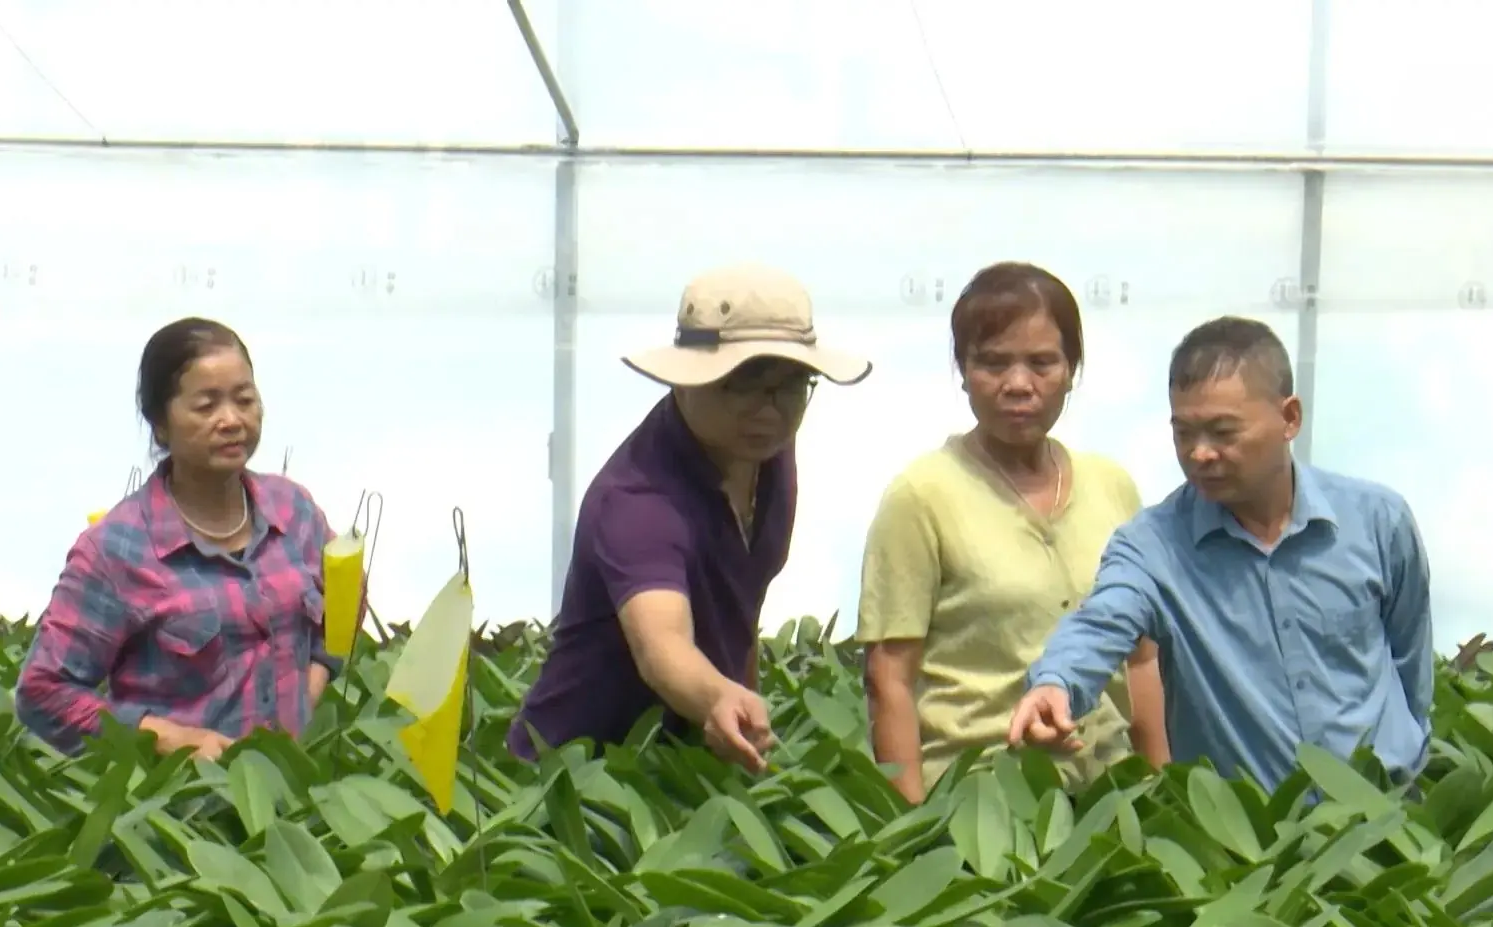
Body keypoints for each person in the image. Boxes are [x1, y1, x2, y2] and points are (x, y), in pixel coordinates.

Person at [1009, 316, 1434, 792]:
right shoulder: (1152, 548)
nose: (1200, 454)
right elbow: (1100, 623)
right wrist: (1056, 684)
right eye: (1184, 433)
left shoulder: (1378, 521)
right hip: (1246, 844)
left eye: (1223, 432)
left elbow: (1410, 665)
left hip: (1387, 825)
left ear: (1290, 418)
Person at [510, 263, 873, 772]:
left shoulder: (767, 453)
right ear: (685, 381)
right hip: (575, 781)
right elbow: (662, 647)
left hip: (689, 769)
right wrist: (718, 700)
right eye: (743, 385)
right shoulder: (637, 501)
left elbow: (741, 608)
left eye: (791, 385)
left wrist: (742, 713)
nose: (769, 411)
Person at [857, 262, 1166, 805]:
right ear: (962, 369)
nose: (1018, 384)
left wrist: (1162, 787)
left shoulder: (1111, 486)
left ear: (1073, 369)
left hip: (1110, 799)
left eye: (1042, 363)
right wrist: (906, 829)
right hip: (977, 802)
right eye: (992, 363)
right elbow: (890, 681)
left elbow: (1141, 660)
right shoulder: (922, 495)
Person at [16, 317, 340, 760]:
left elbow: (346, 592)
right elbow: (43, 692)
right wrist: (169, 740)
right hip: (172, 813)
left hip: (285, 799)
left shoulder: (294, 511)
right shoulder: (117, 550)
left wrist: (315, 676)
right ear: (160, 423)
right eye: (207, 406)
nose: (231, 420)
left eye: (245, 400)